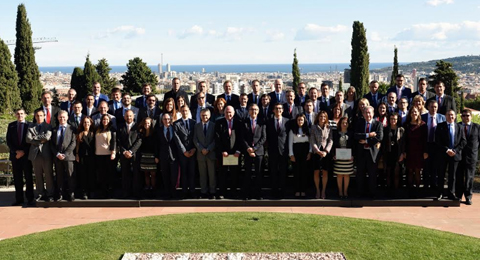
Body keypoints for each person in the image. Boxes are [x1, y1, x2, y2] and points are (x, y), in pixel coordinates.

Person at [435, 109, 466, 201]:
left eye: (452, 115)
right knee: (441, 174)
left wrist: (455, 151)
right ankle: (440, 193)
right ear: (445, 116)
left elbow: (463, 141)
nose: (450, 117)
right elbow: (437, 141)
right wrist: (447, 150)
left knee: (452, 175)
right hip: (443, 154)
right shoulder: (440, 126)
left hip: (455, 155)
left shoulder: (459, 127)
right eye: (448, 115)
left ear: (455, 116)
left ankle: (451, 193)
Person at [354, 106, 383, 198]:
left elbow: (379, 137)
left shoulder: (378, 124)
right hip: (361, 153)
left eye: (369, 113)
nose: (368, 115)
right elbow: (355, 135)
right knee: (360, 174)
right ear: (363, 114)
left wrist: (366, 141)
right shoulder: (359, 123)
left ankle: (372, 194)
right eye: (366, 113)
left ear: (373, 113)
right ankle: (360, 193)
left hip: (372, 153)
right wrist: (368, 135)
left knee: (372, 174)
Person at [7, 108, 34, 206]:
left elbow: (31, 141)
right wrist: (16, 151)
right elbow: (8, 141)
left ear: (25, 115)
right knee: (17, 178)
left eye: (22, 114)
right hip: (16, 156)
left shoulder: (30, 125)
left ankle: (30, 199)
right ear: (15, 115)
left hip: (26, 156)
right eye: (18, 114)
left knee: (28, 177)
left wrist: (23, 151)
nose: (20, 115)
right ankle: (19, 199)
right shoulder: (11, 126)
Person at [215, 106, 242, 198]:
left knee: (235, 174)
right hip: (224, 154)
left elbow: (240, 138)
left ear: (234, 113)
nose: (228, 114)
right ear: (224, 113)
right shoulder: (219, 123)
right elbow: (217, 138)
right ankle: (223, 192)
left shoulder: (239, 123)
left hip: (235, 154)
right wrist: (222, 151)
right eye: (227, 112)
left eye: (230, 112)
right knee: (223, 174)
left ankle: (233, 192)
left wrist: (238, 151)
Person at [26, 110, 54, 202]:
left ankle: (50, 194)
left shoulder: (48, 126)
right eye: (37, 116)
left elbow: (47, 137)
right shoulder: (31, 126)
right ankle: (40, 193)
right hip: (35, 154)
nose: (39, 117)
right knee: (38, 175)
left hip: (46, 154)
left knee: (48, 175)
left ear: (44, 116)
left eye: (41, 115)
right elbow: (28, 139)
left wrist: (35, 138)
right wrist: (40, 139)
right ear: (35, 116)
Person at [242, 103, 267, 200]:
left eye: (256, 109)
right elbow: (242, 137)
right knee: (247, 173)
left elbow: (264, 137)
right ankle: (247, 194)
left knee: (258, 173)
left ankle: (258, 194)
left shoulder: (262, 122)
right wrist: (248, 148)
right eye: (252, 109)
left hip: (259, 151)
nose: (254, 111)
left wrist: (255, 148)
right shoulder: (244, 122)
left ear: (258, 111)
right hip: (247, 151)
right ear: (248, 111)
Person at [50, 110, 77, 201]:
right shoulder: (54, 129)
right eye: (60, 117)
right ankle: (60, 194)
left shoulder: (72, 128)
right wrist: (57, 154)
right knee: (59, 176)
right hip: (58, 157)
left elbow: (73, 143)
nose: (62, 119)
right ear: (58, 118)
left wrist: (65, 154)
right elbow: (52, 144)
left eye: (64, 117)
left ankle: (71, 193)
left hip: (68, 157)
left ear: (67, 117)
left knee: (70, 176)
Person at [403, 107, 428, 197]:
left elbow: (425, 139)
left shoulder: (423, 125)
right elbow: (404, 140)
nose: (414, 113)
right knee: (409, 171)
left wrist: (425, 151)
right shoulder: (406, 125)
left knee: (417, 171)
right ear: (410, 114)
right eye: (412, 112)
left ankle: (417, 190)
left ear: (419, 113)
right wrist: (404, 151)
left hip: (419, 151)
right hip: (409, 151)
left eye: (416, 112)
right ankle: (410, 190)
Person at [173, 105, 197, 198]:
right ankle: (184, 191)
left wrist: (194, 149)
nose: (185, 112)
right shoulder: (176, 124)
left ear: (189, 111)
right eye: (183, 111)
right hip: (182, 153)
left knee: (192, 172)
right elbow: (177, 139)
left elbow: (196, 136)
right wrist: (184, 151)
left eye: (186, 110)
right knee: (184, 173)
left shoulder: (194, 122)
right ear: (180, 112)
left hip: (193, 151)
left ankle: (192, 190)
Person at [117, 110, 142, 199]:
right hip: (124, 154)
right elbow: (118, 141)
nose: (129, 118)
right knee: (125, 174)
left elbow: (139, 140)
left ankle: (136, 192)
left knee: (136, 173)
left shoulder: (138, 126)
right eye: (127, 116)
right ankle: (126, 192)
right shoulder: (120, 127)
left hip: (134, 154)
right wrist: (124, 151)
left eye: (130, 116)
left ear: (133, 116)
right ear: (124, 117)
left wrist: (131, 151)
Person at [421, 100, 446, 190]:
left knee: (436, 166)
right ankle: (426, 185)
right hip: (426, 144)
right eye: (431, 107)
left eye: (435, 107)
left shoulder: (442, 117)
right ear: (428, 107)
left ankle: (434, 185)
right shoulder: (422, 117)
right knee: (426, 166)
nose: (433, 109)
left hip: (437, 146)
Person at [456, 109, 479, 205]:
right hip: (459, 156)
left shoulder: (477, 127)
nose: (466, 117)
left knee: (469, 177)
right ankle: (458, 196)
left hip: (471, 157)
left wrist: (474, 151)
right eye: (464, 115)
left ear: (471, 116)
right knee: (459, 177)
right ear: (461, 117)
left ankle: (468, 197)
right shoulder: (457, 126)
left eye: (467, 115)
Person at [194, 108, 217, 199]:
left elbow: (216, 139)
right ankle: (203, 191)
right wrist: (201, 149)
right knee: (202, 174)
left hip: (211, 153)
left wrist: (209, 149)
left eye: (206, 115)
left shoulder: (214, 125)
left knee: (212, 175)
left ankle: (212, 191)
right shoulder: (197, 126)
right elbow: (195, 139)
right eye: (203, 115)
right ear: (200, 116)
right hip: (201, 154)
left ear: (210, 116)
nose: (205, 117)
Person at [267, 103, 289, 198]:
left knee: (283, 172)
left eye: (280, 108)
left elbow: (288, 137)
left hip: (283, 151)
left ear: (283, 110)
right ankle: (274, 191)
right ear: (273, 110)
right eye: (276, 108)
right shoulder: (268, 121)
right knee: (273, 172)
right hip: (272, 151)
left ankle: (283, 192)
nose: (278, 110)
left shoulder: (287, 122)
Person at [310, 111, 333, 199]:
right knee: (316, 172)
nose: (322, 118)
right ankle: (317, 191)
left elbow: (331, 140)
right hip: (316, 152)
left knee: (325, 172)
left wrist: (326, 151)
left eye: (324, 117)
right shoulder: (313, 127)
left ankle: (323, 190)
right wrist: (317, 150)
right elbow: (312, 140)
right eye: (321, 116)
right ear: (318, 117)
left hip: (326, 153)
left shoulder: (329, 128)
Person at [155, 113, 179, 199]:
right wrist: (156, 156)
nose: (167, 121)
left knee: (174, 176)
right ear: (162, 120)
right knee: (165, 175)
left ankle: (174, 192)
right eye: (165, 119)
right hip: (163, 156)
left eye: (168, 119)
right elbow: (156, 144)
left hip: (174, 156)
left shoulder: (175, 128)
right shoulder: (158, 130)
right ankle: (167, 193)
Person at [288, 114, 311, 198]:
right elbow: (290, 143)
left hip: (305, 151)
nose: (300, 121)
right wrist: (291, 154)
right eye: (298, 120)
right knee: (297, 171)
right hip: (296, 151)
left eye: (301, 120)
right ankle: (297, 190)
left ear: (304, 121)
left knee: (304, 172)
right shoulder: (292, 130)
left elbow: (310, 142)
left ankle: (303, 190)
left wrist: (310, 152)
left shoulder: (308, 130)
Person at [94, 114, 116, 198]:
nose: (105, 121)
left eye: (107, 119)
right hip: (99, 154)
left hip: (108, 154)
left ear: (109, 120)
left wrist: (113, 152)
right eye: (103, 119)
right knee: (101, 173)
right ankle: (102, 191)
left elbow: (114, 141)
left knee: (109, 173)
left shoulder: (112, 130)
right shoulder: (98, 129)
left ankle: (110, 191)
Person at [332, 117, 354, 199]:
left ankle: (345, 192)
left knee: (347, 175)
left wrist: (352, 155)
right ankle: (340, 192)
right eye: (343, 123)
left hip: (348, 158)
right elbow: (333, 145)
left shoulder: (351, 133)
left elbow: (353, 145)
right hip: (339, 157)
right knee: (339, 175)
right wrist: (334, 154)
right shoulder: (336, 133)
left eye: (346, 123)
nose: (344, 124)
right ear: (340, 124)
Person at [382, 113, 405, 192]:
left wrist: (402, 153)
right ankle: (388, 190)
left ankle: (396, 191)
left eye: (394, 119)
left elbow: (403, 143)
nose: (393, 121)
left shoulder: (401, 129)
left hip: (397, 153)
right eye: (391, 119)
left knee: (396, 173)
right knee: (388, 173)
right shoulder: (385, 129)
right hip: (388, 153)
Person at [75, 116, 95, 200]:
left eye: (88, 122)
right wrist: (77, 155)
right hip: (82, 156)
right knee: (83, 175)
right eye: (85, 122)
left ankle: (92, 192)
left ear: (90, 123)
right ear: (82, 124)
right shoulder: (80, 134)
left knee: (91, 174)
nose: (86, 124)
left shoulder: (94, 133)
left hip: (92, 157)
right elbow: (77, 146)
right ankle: (84, 192)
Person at [137, 117, 157, 193]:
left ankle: (153, 188)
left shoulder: (154, 133)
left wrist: (156, 156)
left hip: (152, 156)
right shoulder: (141, 133)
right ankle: (147, 187)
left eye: (148, 123)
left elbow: (156, 146)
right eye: (145, 123)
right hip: (144, 155)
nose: (147, 124)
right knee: (146, 173)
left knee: (153, 174)